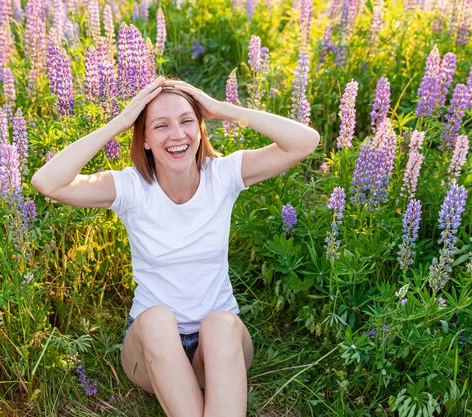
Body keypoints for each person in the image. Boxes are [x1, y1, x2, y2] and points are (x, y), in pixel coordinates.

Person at [31, 76, 320, 417]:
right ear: (147, 140)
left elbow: (305, 142)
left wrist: (223, 109)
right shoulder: (131, 188)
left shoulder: (223, 175)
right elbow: (47, 182)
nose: (177, 135)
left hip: (217, 350)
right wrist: (121, 122)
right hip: (151, 349)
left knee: (220, 324)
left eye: (186, 121)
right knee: (155, 319)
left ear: (199, 128)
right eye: (161, 126)